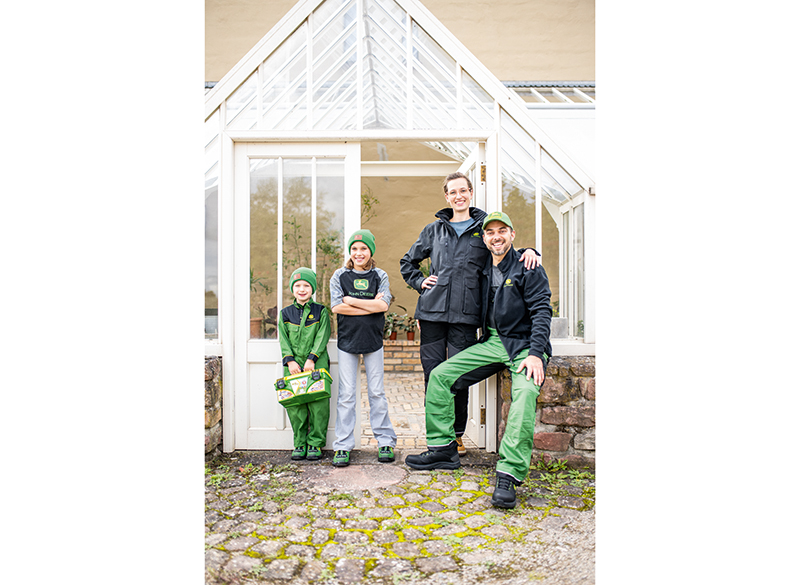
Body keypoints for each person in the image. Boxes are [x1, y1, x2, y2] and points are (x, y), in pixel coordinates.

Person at [404, 211, 552, 510]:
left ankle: (508, 473)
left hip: (523, 346)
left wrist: (537, 353)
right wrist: (425, 301)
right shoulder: (484, 267)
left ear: (512, 234)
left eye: (502, 231)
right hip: (493, 341)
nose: (496, 237)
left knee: (525, 394)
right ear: (483, 238)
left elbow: (541, 311)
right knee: (440, 376)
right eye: (490, 232)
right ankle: (443, 449)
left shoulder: (527, 266)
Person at [399, 172, 540, 456]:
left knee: (458, 376)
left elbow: (502, 248)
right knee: (433, 374)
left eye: (463, 190)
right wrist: (420, 282)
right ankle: (438, 436)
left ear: (470, 192)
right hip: (432, 313)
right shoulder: (434, 230)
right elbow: (407, 262)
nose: (458, 196)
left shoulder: (483, 228)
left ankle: (457, 434)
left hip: (466, 316)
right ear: (447, 196)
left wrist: (530, 251)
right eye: (452, 192)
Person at [329, 229, 398, 467]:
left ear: (371, 251)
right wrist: (370, 305)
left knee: (377, 393)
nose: (359, 253)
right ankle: (342, 445)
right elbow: (337, 307)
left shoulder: (380, 275)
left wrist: (351, 300)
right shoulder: (340, 275)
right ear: (350, 251)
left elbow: (383, 306)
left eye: (364, 249)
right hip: (347, 342)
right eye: (355, 249)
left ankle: (385, 441)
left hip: (373, 341)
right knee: (346, 395)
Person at [277, 267, 332, 461]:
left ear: (312, 289)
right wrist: (290, 360)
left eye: (306, 285)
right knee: (295, 406)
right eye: (298, 285)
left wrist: (312, 358)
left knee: (319, 405)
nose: (302, 289)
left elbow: (322, 336)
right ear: (292, 289)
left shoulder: (320, 311)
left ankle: (315, 444)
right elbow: (283, 339)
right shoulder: (285, 313)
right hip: (293, 367)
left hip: (316, 365)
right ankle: (300, 443)